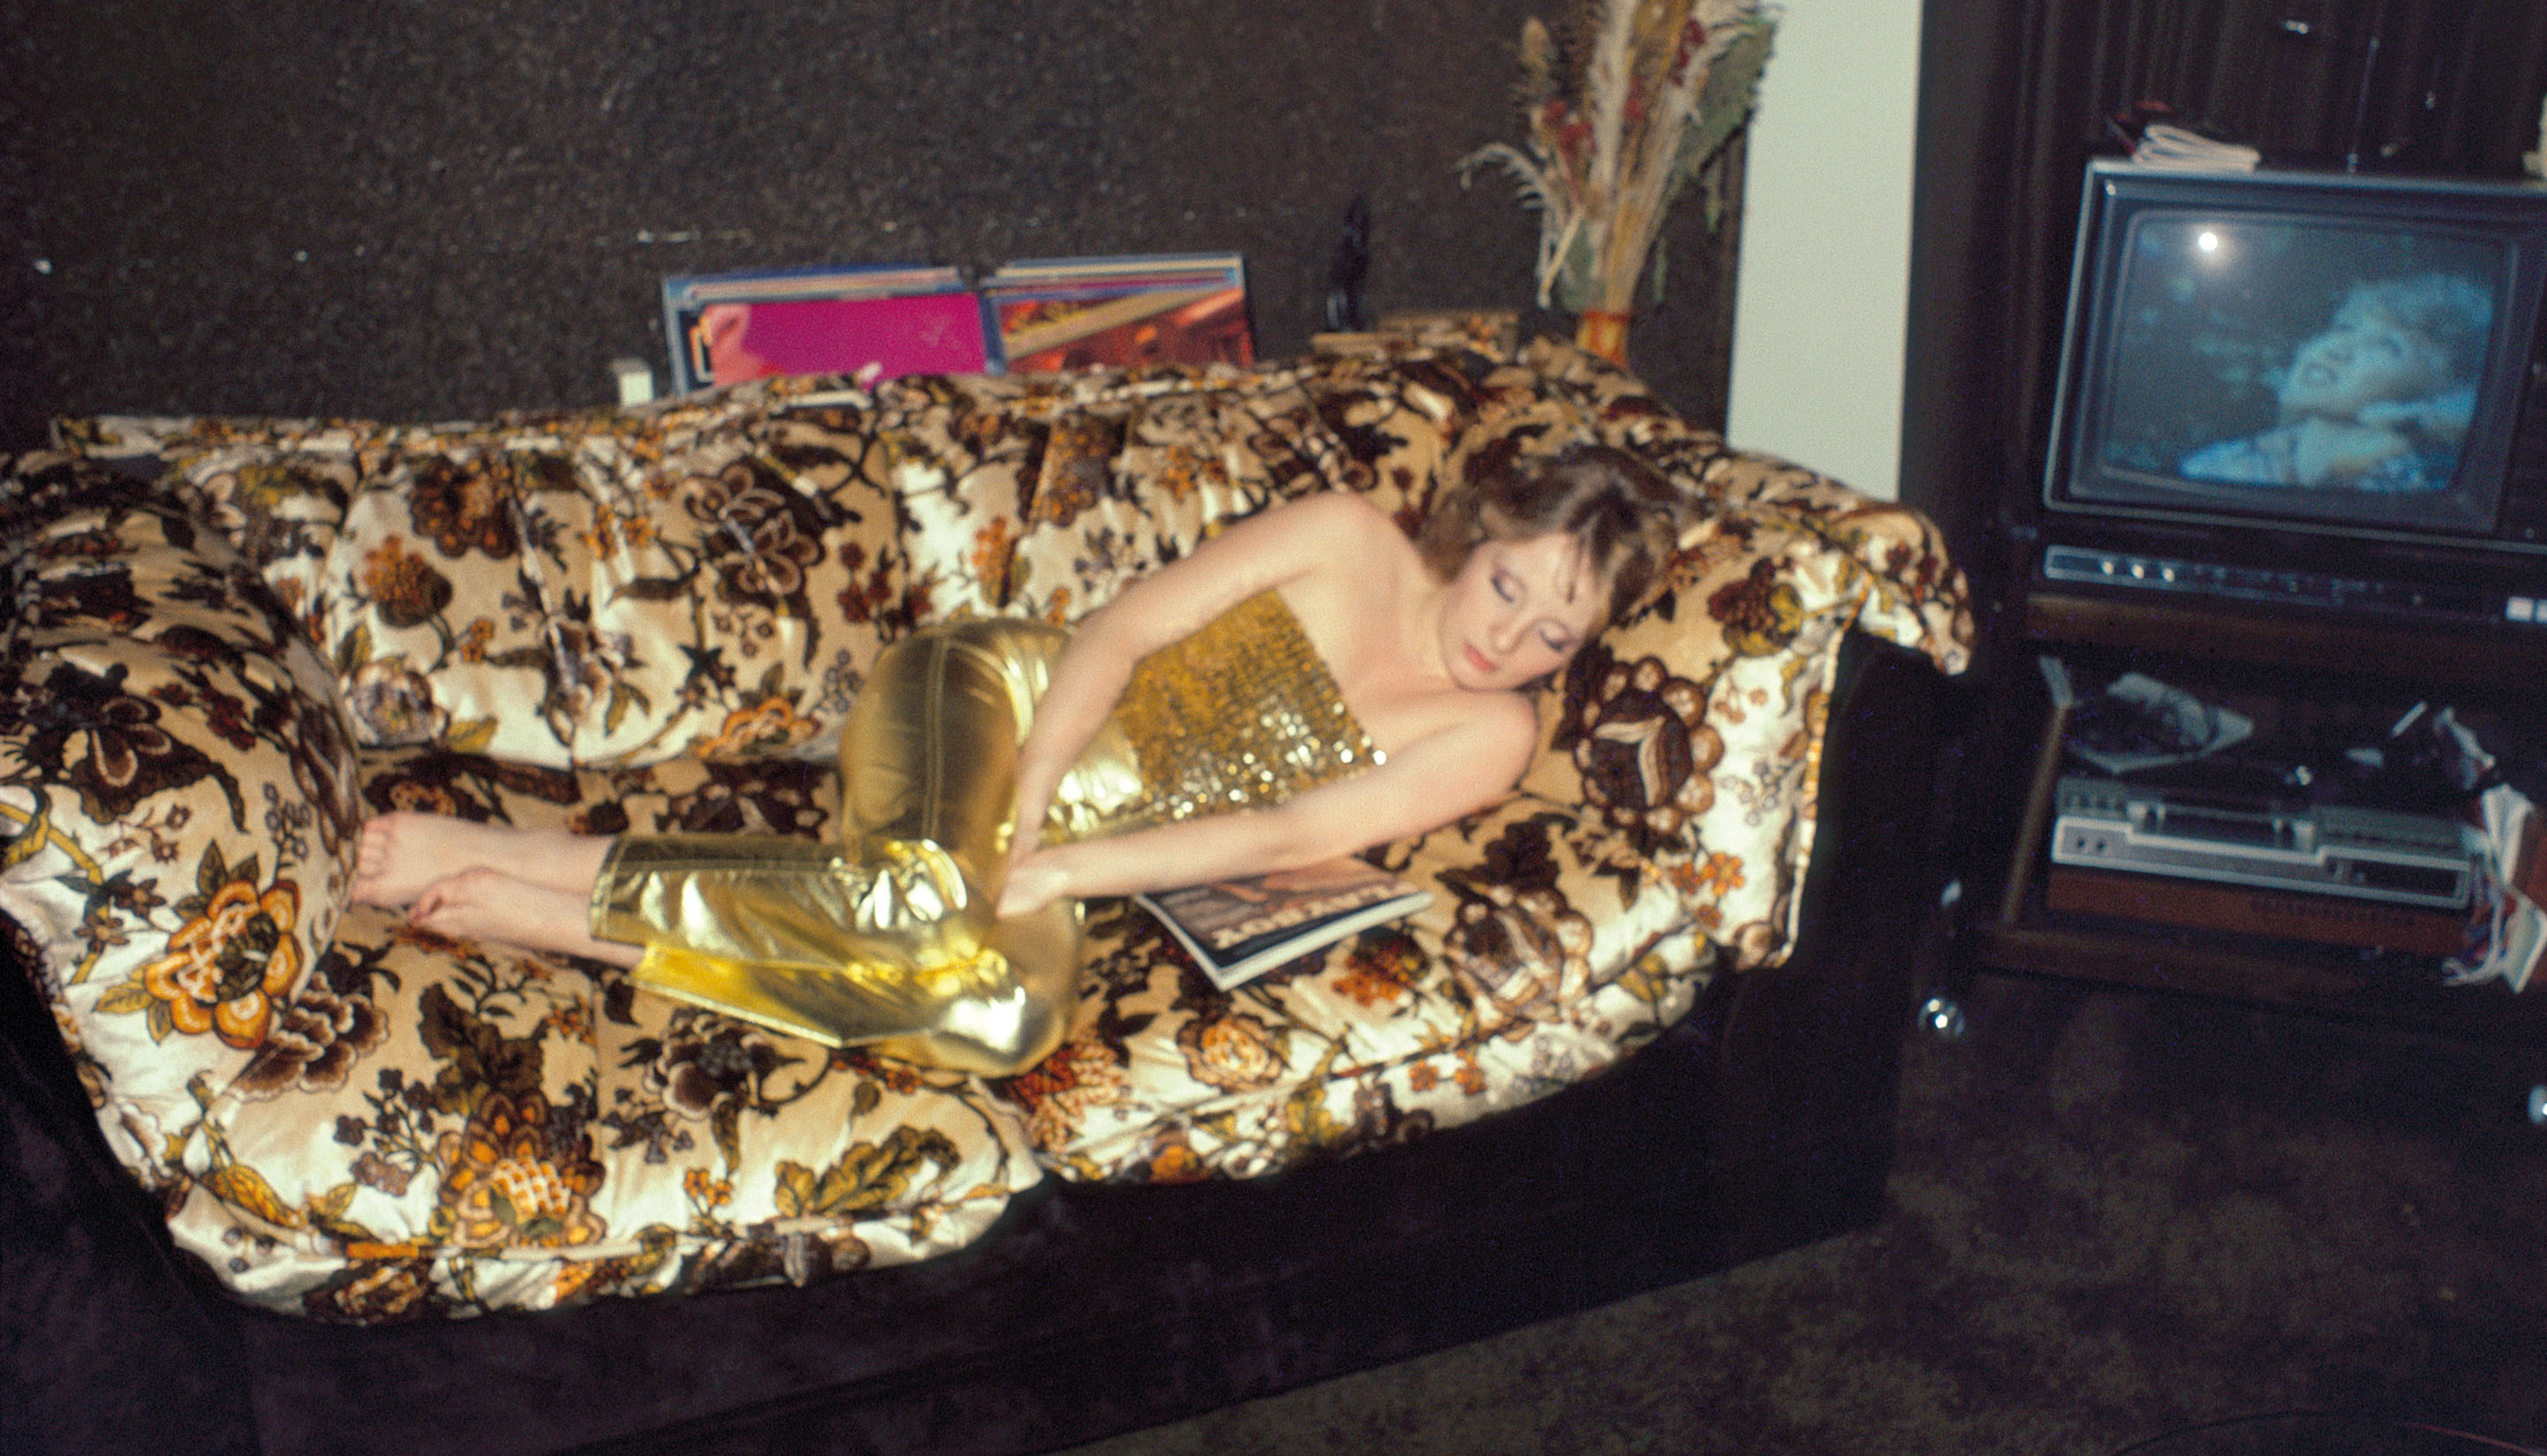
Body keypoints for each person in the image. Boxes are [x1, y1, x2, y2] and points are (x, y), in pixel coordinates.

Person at [353, 443, 1684, 1075]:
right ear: (1486, 528)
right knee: (927, 905)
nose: (1505, 637)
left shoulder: (1492, 733)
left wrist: (1063, 872)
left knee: (999, 1015)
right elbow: (1121, 628)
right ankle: (538, 882)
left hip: (1081, 852)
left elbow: (1289, 835)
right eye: (1509, 584)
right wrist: (1033, 798)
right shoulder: (1349, 536)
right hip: (1001, 703)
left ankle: (587, 906)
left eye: (1552, 634)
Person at [2180, 273, 2490, 492]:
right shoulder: (2222, 461)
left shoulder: (2412, 482)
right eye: (2344, 328)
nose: (2337, 349)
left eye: (2385, 346)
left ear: (2432, 394)